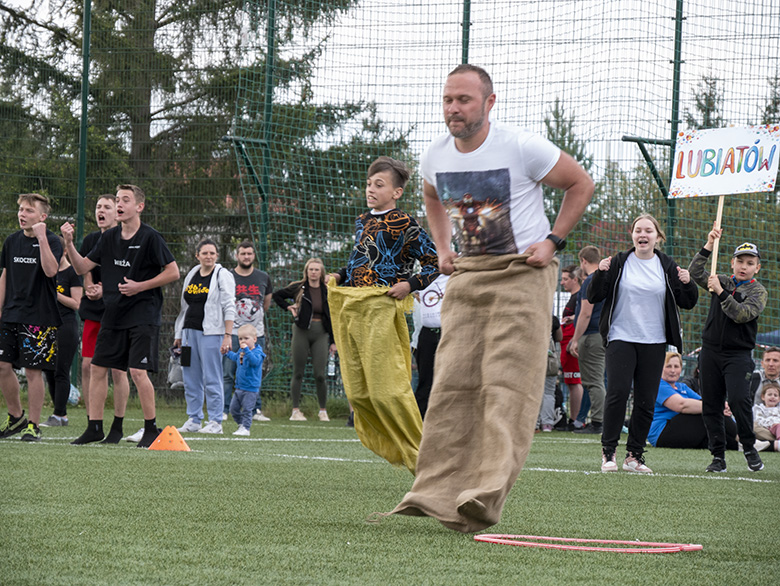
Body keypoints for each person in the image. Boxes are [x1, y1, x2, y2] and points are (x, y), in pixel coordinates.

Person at [389, 65, 593, 533]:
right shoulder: (435, 156)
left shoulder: (522, 147)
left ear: (489, 102)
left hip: (524, 272)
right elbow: (430, 197)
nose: (454, 108)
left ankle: (483, 495)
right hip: (469, 276)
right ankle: (435, 493)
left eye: (464, 99)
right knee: (452, 384)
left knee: (507, 386)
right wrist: (442, 249)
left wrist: (554, 240)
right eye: (447, 100)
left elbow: (581, 183)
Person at [327, 155, 439, 474]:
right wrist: (338, 275)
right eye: (368, 184)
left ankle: (424, 454)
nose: (370, 189)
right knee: (359, 392)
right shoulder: (363, 220)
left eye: (379, 184)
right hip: (354, 309)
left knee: (388, 389)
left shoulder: (406, 224)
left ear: (397, 192)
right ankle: (401, 449)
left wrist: (409, 284)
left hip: (383, 311)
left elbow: (433, 262)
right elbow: (356, 264)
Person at [62, 184, 179, 448]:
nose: (118, 204)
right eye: (117, 200)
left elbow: (173, 272)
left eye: (125, 200)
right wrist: (69, 243)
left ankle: (151, 429)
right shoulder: (109, 237)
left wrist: (140, 286)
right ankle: (94, 427)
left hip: (143, 313)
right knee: (97, 368)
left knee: (137, 371)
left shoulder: (150, 237)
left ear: (139, 206)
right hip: (113, 313)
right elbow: (81, 266)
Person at [588, 214, 698, 473]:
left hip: (654, 340)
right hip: (621, 337)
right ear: (632, 235)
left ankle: (634, 456)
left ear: (657, 237)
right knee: (617, 393)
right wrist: (600, 274)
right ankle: (609, 453)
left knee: (646, 400)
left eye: (648, 231)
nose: (643, 235)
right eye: (638, 230)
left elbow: (688, 301)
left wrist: (687, 282)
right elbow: (595, 295)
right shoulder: (618, 262)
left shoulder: (667, 265)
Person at [689, 229, 768, 472]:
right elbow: (694, 273)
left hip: (738, 355)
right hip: (710, 352)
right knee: (710, 405)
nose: (744, 266)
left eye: (750, 263)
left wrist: (721, 292)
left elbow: (742, 314)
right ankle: (718, 456)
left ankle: (748, 446)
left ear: (757, 267)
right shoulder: (720, 279)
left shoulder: (758, 292)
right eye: (740, 261)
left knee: (738, 400)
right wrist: (708, 245)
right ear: (732, 262)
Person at [0, 193, 62, 442]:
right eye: (21, 210)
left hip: (40, 316)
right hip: (11, 313)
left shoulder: (53, 241)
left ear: (42, 217)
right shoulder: (11, 241)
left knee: (33, 370)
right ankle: (16, 417)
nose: (22, 215)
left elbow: (51, 270)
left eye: (28, 211)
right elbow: (4, 276)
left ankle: (33, 425)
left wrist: (41, 238)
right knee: (2, 365)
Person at [77, 195, 132, 443]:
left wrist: (106, 289)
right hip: (95, 312)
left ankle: (117, 426)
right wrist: (90, 286)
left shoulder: (126, 239)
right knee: (88, 365)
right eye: (98, 206)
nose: (102, 210)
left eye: (107, 207)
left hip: (119, 310)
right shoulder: (91, 240)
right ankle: (93, 422)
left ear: (116, 212)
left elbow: (129, 273)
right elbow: (84, 267)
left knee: (119, 371)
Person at [174, 238, 236, 434]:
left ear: (217, 256)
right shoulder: (192, 273)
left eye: (212, 253)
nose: (208, 256)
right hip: (188, 333)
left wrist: (227, 335)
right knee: (190, 377)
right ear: (197, 255)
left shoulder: (222, 275)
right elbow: (184, 307)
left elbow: (229, 306)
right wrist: (179, 333)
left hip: (212, 333)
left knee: (212, 376)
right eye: (205, 253)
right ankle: (194, 418)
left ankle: (216, 421)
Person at [272, 258, 335, 422]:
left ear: (321, 272)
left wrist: (334, 341)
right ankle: (295, 411)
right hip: (301, 331)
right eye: (311, 269)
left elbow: (332, 317)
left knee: (320, 374)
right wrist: (288, 307)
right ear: (306, 271)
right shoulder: (299, 287)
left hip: (321, 332)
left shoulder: (327, 290)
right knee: (298, 372)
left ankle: (323, 410)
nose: (313, 272)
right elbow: (277, 295)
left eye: (316, 269)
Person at [223, 240, 273, 421]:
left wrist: (251, 327)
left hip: (256, 334)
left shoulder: (263, 277)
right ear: (237, 255)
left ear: (254, 256)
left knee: (254, 372)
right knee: (228, 372)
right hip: (233, 332)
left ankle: (255, 410)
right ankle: (224, 409)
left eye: (249, 254)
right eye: (243, 253)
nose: (246, 257)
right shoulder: (227, 276)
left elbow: (265, 303)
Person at [648, 352, 739, 450]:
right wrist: (717, 407)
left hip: (683, 429)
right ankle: (746, 439)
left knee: (721, 441)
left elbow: (704, 401)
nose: (673, 370)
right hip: (662, 433)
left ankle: (741, 444)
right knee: (708, 412)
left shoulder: (682, 387)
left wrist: (722, 406)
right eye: (668, 366)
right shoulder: (658, 385)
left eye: (676, 366)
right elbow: (681, 405)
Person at [41, 238, 82, 427]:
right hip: (47, 324)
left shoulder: (72, 273)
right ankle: (60, 414)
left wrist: (55, 294)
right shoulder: (47, 271)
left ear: (63, 251)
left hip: (66, 325)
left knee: (61, 369)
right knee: (48, 370)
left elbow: (76, 303)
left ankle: (59, 415)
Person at [568, 246, 605, 434]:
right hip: (603, 335)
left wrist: (575, 339)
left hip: (591, 336)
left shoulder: (591, 280)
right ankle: (598, 420)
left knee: (593, 381)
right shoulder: (605, 278)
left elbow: (585, 313)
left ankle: (598, 422)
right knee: (598, 379)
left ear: (583, 260)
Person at [412, 273, 449, 419]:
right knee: (425, 381)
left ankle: (448, 418)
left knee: (450, 379)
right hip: (426, 334)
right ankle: (420, 421)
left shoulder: (456, 270)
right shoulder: (421, 277)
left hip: (450, 331)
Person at [222, 324, 266, 436]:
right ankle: (241, 425)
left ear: (254, 339)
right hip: (239, 387)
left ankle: (246, 428)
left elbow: (254, 362)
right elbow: (235, 357)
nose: (243, 341)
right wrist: (226, 353)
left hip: (251, 388)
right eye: (241, 338)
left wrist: (246, 350)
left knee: (247, 410)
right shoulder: (241, 351)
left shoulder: (257, 352)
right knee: (234, 409)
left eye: (246, 338)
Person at [559, 265, 583, 428]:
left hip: (571, 343)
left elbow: (585, 316)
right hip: (565, 342)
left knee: (575, 381)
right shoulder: (573, 297)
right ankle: (574, 419)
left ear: (576, 280)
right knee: (570, 381)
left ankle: (576, 420)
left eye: (566, 279)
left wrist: (574, 340)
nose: (562, 283)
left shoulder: (581, 296)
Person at [538, 315, 562, 432]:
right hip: (549, 359)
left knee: (533, 392)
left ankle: (534, 423)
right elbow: (559, 337)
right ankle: (547, 424)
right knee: (549, 393)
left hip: (532, 356)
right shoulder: (553, 319)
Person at [753, 382, 780, 451]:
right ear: (763, 397)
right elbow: (758, 419)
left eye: (775, 395)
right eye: (769, 394)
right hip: (765, 428)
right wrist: (771, 423)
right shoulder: (759, 408)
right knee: (753, 426)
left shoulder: (778, 409)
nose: (772, 397)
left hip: (777, 429)